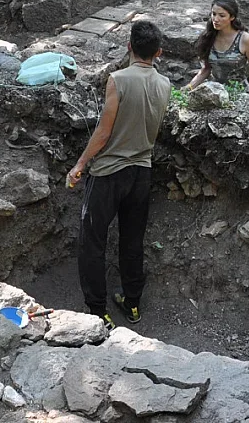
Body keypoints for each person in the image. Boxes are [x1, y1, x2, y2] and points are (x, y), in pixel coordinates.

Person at [66, 20, 170, 329]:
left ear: (129, 47)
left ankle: (98, 312)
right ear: (158, 52)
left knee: (92, 242)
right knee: (132, 240)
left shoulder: (118, 80)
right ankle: (132, 303)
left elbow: (103, 131)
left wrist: (80, 164)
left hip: (109, 173)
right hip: (141, 173)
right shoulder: (164, 85)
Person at [185, 0, 249, 96]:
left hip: (239, 95)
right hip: (214, 94)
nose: (216, 19)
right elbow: (206, 69)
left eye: (222, 16)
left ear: (232, 17)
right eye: (214, 14)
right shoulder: (208, 37)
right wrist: (189, 88)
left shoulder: (245, 39)